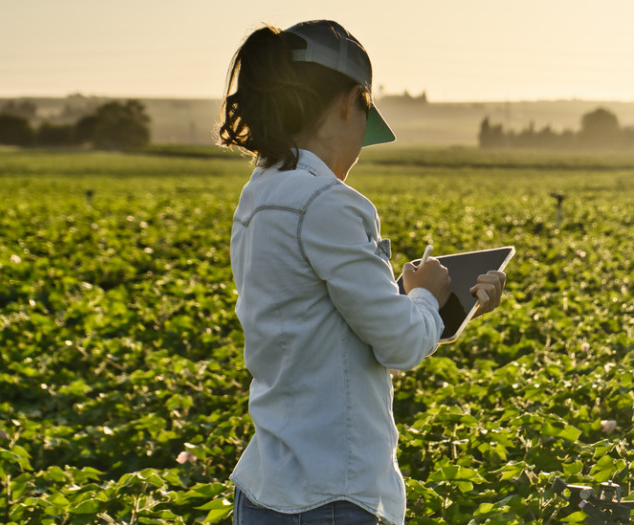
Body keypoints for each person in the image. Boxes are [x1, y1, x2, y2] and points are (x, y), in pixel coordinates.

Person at [217, 20, 507, 525]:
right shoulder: (331, 202)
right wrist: (423, 295)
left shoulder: (260, 193)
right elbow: (398, 345)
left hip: (267, 487)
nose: (358, 151)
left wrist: (446, 308)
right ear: (352, 103)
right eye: (364, 126)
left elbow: (327, 323)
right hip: (331, 494)